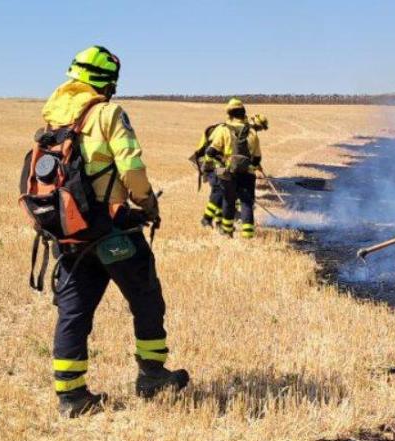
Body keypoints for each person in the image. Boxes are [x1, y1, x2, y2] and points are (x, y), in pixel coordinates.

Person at [40, 46, 189, 417]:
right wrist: (148, 205)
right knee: (147, 298)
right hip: (112, 231)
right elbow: (132, 169)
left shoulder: (53, 119)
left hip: (71, 234)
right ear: (106, 81)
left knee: (74, 312)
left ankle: (71, 396)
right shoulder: (107, 113)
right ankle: (152, 376)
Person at [200, 99, 263, 238]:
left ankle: (227, 231)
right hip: (247, 174)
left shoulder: (223, 130)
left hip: (226, 174)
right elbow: (257, 158)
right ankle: (248, 236)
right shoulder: (252, 132)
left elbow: (210, 152)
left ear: (229, 114)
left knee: (228, 201)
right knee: (246, 203)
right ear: (243, 113)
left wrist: (222, 163)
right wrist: (250, 167)